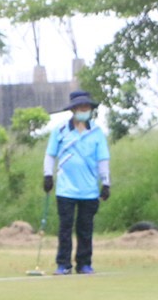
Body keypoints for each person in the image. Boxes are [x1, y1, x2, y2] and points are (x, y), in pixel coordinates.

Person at [43, 90, 111, 275]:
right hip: (66, 189)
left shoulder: (97, 133)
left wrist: (106, 183)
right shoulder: (60, 130)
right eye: (81, 107)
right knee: (65, 228)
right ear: (73, 110)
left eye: (87, 107)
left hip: (89, 189)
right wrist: (48, 175)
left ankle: (84, 263)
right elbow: (50, 155)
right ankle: (63, 264)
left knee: (85, 228)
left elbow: (103, 160)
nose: (84, 110)